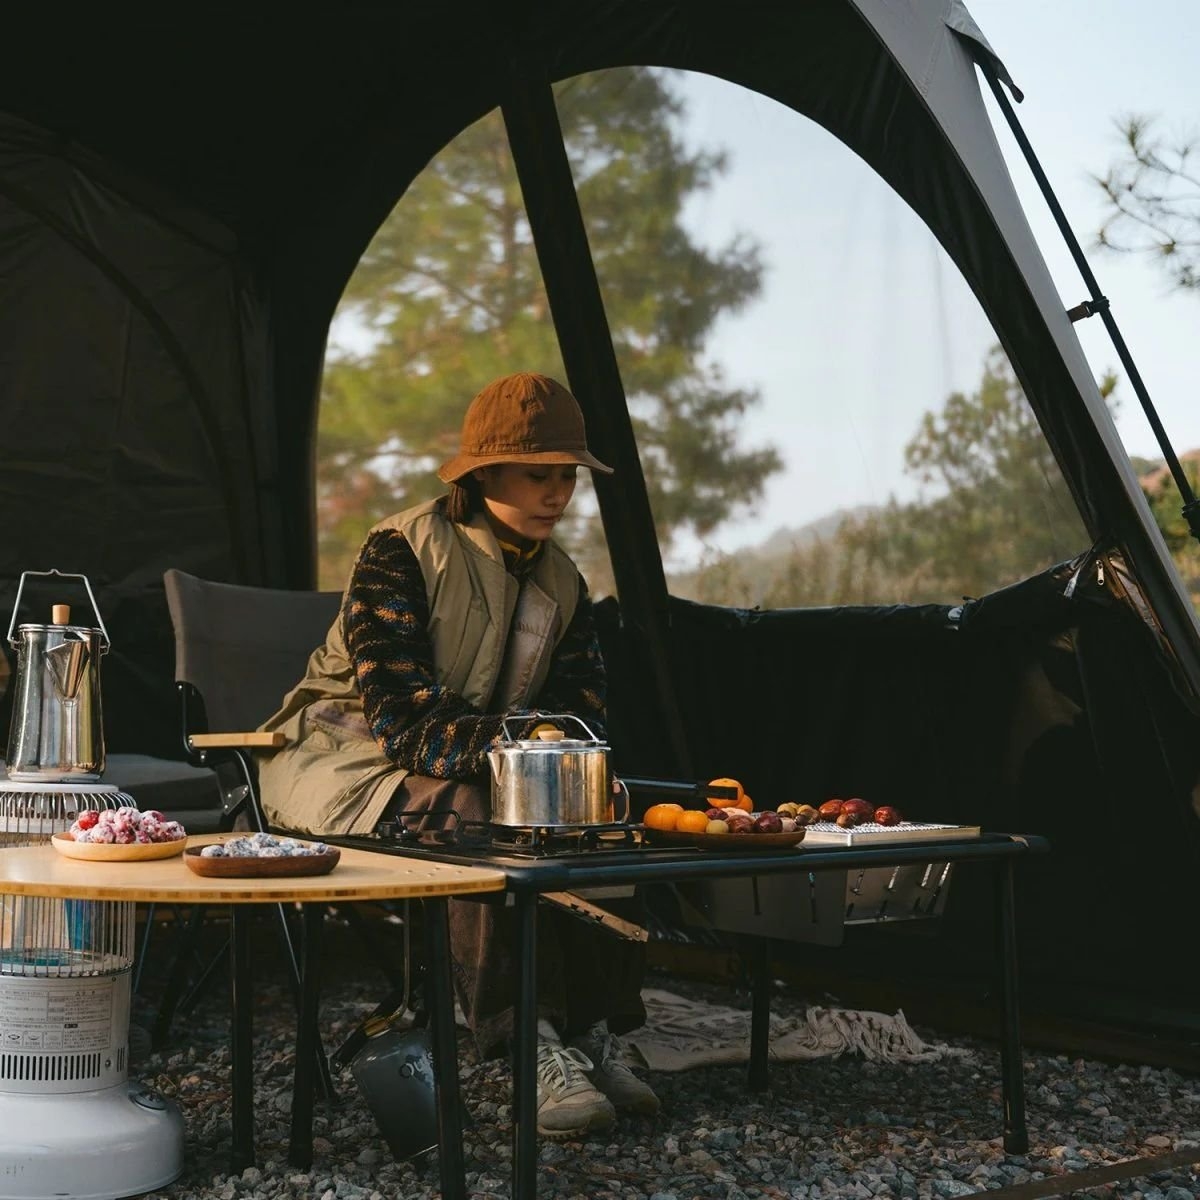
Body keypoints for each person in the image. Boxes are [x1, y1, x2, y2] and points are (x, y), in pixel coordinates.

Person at [258, 371, 660, 1137]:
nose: (557, 495)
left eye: (567, 477)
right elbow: (405, 724)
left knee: (604, 810)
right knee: (482, 819)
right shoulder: (401, 549)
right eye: (537, 475)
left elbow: (583, 719)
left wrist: (573, 776)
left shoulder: (564, 581)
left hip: (480, 763)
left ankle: (591, 1033)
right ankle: (522, 1047)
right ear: (482, 474)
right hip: (345, 763)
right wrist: (532, 760)